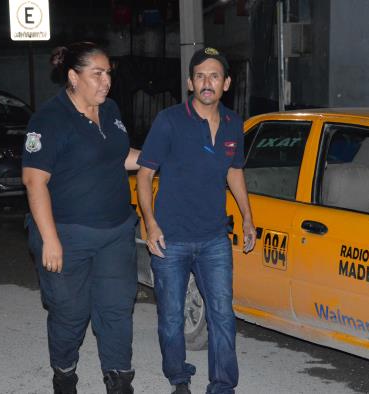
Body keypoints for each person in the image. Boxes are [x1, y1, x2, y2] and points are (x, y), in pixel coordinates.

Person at [136, 47, 257, 394]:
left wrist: (248, 218)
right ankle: (178, 377)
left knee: (222, 314)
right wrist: (151, 223)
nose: (207, 82)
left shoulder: (235, 123)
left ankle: (222, 384)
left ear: (226, 83)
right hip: (170, 237)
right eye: (201, 76)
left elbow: (234, 173)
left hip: (214, 238)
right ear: (190, 82)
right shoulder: (170, 120)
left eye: (215, 76)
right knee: (171, 318)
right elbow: (145, 174)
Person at [22, 42, 141, 394]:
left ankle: (119, 381)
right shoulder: (49, 120)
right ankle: (64, 373)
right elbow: (34, 180)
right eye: (97, 74)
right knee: (70, 313)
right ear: (73, 77)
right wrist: (50, 240)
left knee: (117, 309)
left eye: (108, 74)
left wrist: (159, 158)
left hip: (116, 231)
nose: (106, 82)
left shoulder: (111, 110)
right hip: (67, 234)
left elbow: (119, 155)